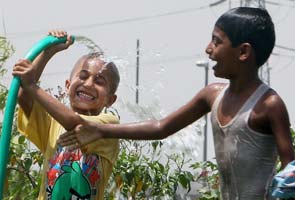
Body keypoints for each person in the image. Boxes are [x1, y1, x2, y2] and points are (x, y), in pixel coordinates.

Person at [58, 7, 295, 200]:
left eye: (217, 41)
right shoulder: (212, 96)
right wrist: (100, 130)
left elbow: (290, 172)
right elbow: (161, 127)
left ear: (243, 52)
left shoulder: (269, 105)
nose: (208, 49)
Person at [12, 30, 121, 200]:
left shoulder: (108, 126)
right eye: (83, 76)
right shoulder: (53, 123)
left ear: (110, 100)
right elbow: (23, 96)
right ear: (68, 85)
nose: (89, 84)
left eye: (99, 81)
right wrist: (48, 53)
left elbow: (75, 123)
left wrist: (32, 85)